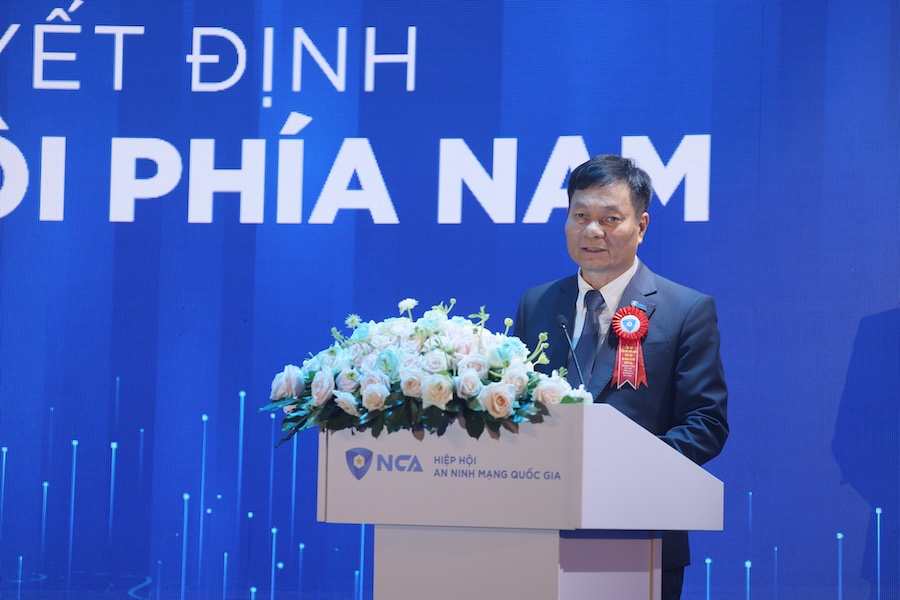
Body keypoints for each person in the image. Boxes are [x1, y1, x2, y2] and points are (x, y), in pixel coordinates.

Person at [514, 154, 729, 600]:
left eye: (610, 218)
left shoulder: (686, 310)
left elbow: (706, 422)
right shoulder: (536, 303)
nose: (593, 231)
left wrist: (627, 472)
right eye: (580, 216)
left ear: (641, 226)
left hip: (639, 533)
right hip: (536, 534)